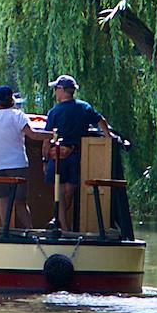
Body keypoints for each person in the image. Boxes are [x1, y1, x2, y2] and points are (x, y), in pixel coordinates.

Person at [36, 75, 118, 231]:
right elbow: (100, 120)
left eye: (56, 89)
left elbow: (47, 138)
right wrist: (108, 137)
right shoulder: (84, 107)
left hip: (58, 155)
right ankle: (61, 224)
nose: (55, 93)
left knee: (58, 192)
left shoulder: (55, 112)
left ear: (61, 90)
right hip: (77, 154)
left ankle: (62, 226)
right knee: (69, 190)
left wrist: (44, 159)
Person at [0, 85, 40, 231]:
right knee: (20, 201)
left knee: (3, 199)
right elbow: (33, 135)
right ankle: (30, 231)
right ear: (11, 101)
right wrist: (52, 135)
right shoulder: (18, 116)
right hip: (16, 164)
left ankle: (6, 231)